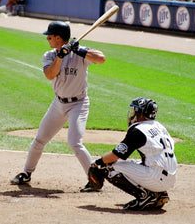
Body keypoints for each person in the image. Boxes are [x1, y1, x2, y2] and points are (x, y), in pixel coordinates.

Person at [10, 21, 106, 192]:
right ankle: (26, 173)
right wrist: (60, 56)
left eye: (50, 36)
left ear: (59, 38)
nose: (47, 38)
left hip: (78, 104)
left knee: (74, 142)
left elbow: (101, 59)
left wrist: (79, 50)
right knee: (40, 139)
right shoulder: (49, 55)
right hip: (59, 103)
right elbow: (49, 74)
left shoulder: (79, 52)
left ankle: (94, 180)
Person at [88, 97, 177, 210]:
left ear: (141, 113)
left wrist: (96, 163)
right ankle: (158, 194)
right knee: (135, 162)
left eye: (135, 111)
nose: (132, 114)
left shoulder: (139, 130)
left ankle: (145, 196)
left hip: (156, 177)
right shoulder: (159, 126)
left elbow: (115, 155)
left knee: (108, 167)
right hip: (170, 178)